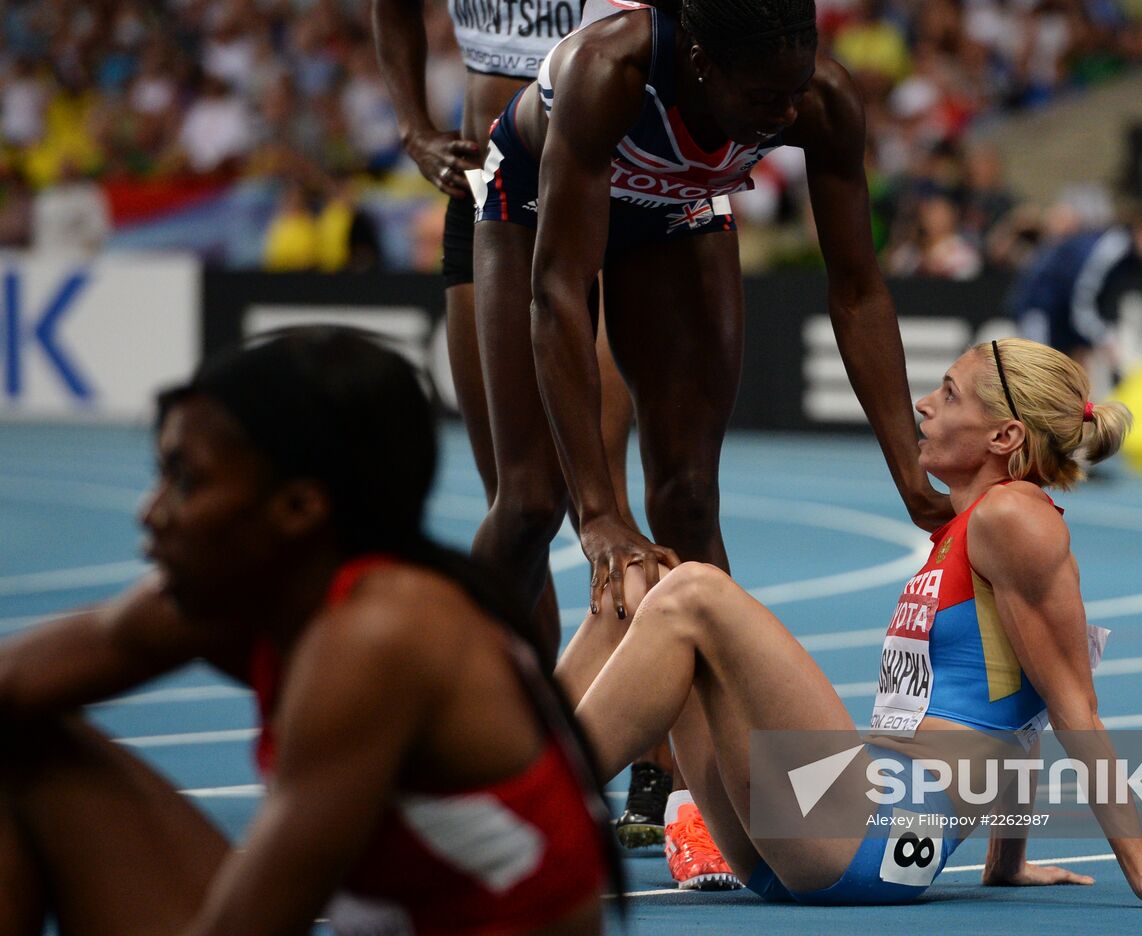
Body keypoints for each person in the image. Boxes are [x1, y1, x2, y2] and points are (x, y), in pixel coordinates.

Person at [472, 0, 948, 887]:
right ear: (697, 64)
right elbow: (561, 293)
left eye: (793, 90)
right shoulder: (608, 72)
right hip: (537, 202)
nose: (781, 114)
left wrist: (907, 465)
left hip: (681, 205)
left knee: (689, 499)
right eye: (762, 96)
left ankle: (698, 804)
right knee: (531, 503)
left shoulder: (822, 101)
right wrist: (600, 512)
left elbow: (856, 288)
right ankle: (460, 729)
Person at [556, 338, 1142, 912]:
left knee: (696, 593)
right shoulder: (971, 528)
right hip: (814, 839)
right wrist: (1007, 861)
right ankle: (520, 781)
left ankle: (528, 803)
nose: (924, 404)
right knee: (641, 579)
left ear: (1004, 437)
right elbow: (1017, 708)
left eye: (949, 393)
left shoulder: (1014, 520)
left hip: (869, 832)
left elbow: (1072, 707)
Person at [0, 329, 612, 934]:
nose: (150, 511)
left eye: (186, 481)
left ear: (297, 509)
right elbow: (20, 678)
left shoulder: (376, 640)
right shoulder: (261, 586)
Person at [371, 0, 665, 847]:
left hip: (607, 190)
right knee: (521, 505)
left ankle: (656, 757)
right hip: (482, 188)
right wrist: (413, 126)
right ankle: (503, 741)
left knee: (602, 499)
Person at [1011, 206, 1142, 372]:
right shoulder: (1112, 248)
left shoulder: (1129, 258)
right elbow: (1081, 299)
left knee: (1071, 380)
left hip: (1064, 318)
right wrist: (1103, 337)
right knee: (1039, 377)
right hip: (1042, 308)